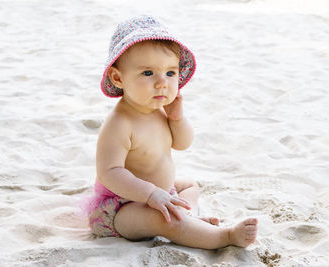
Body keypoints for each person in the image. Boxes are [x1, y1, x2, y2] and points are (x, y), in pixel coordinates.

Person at [82, 15, 258, 249]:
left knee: (189, 186)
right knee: (163, 220)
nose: (162, 83)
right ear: (118, 77)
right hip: (122, 207)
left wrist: (177, 118)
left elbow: (182, 143)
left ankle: (190, 218)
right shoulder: (119, 123)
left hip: (163, 192)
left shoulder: (158, 109)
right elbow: (109, 172)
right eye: (147, 73)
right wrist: (150, 194)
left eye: (170, 73)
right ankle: (224, 237)